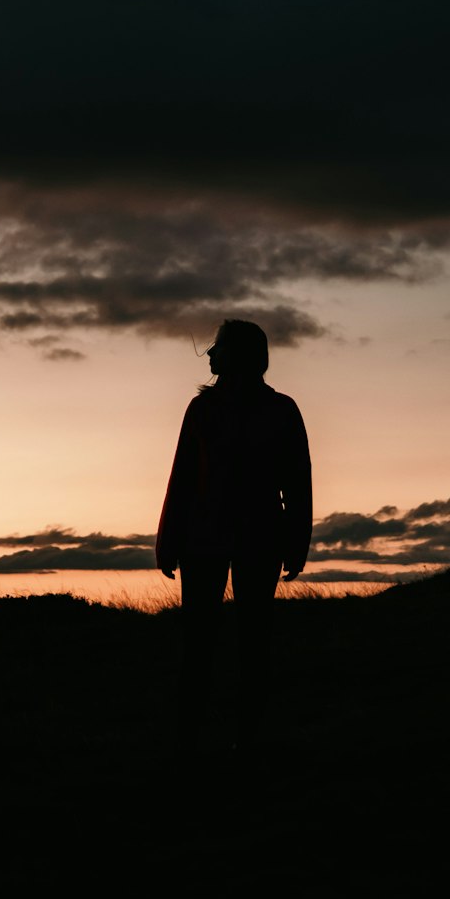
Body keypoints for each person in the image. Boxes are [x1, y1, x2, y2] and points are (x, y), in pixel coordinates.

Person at [157, 318, 312, 751]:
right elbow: (183, 478)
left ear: (240, 354)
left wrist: (296, 543)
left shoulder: (281, 410)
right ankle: (191, 736)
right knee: (200, 642)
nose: (209, 353)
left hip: (256, 537)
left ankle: (249, 739)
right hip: (208, 537)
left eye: (219, 346)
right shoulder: (202, 409)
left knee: (252, 640)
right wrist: (169, 542)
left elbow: (297, 482)